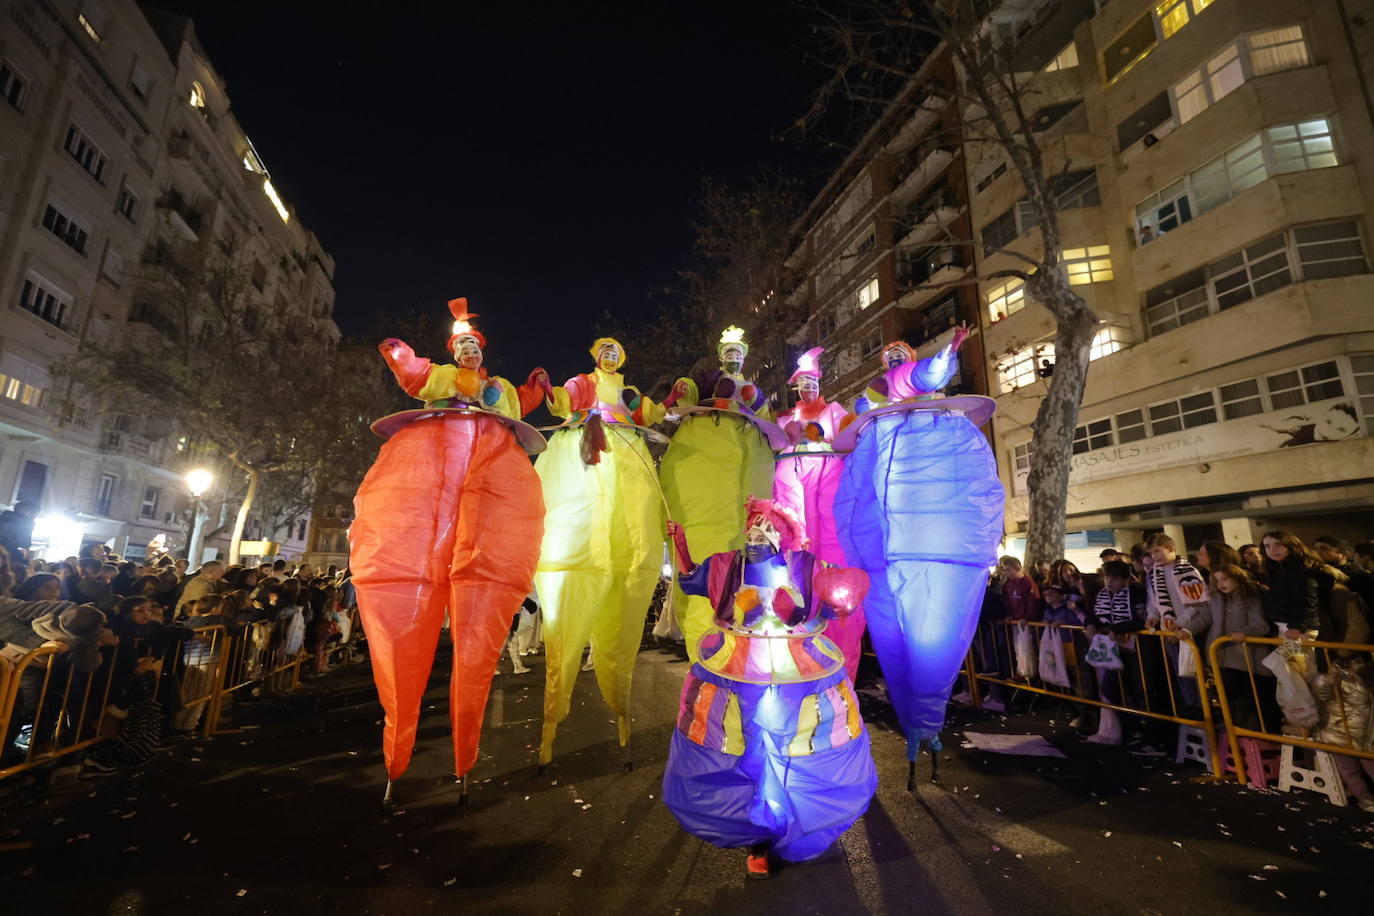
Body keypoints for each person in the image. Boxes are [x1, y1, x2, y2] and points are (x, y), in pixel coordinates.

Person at [352, 300, 545, 795]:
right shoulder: (440, 377)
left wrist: (536, 388)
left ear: (483, 351)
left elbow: (518, 404)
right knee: (405, 611)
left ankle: (464, 758)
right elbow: (413, 374)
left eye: (474, 345)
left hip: (488, 481)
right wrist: (397, 352)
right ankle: (396, 757)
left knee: (478, 636)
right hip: (432, 474)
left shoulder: (495, 389)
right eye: (462, 344)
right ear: (454, 351)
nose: (468, 350)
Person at [662, 499, 873, 878]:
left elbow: (833, 602)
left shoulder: (806, 566)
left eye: (767, 527)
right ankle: (758, 836)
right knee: (749, 752)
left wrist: (839, 597)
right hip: (737, 672)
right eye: (753, 527)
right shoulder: (728, 566)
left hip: (799, 674)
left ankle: (793, 824)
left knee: (797, 749)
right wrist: (678, 545)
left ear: (783, 534)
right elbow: (691, 578)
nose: (757, 533)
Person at [1180, 565, 1277, 731]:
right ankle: (1236, 731)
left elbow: (1260, 624)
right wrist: (1187, 630)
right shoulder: (1216, 599)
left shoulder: (1251, 598)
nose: (1220, 584)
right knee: (1230, 698)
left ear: (1237, 578)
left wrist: (1243, 633)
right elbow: (1205, 618)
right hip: (1222, 657)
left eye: (1224, 579)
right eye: (1217, 580)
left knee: (1252, 699)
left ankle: (1255, 733)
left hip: (1247, 658)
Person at [1084, 560, 1148, 748]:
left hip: (1133, 648)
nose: (1108, 582)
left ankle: (1140, 727)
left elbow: (1141, 618)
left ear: (1124, 580)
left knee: (1137, 688)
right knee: (1110, 687)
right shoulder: (1102, 594)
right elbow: (1092, 613)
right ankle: (1129, 724)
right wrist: (1089, 625)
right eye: (1106, 577)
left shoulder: (1136, 592)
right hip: (1111, 649)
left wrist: (1117, 628)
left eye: (1113, 578)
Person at [1310, 659, 1374, 813]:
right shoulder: (1337, 677)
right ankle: (1365, 799)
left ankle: (1365, 798)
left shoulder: (1361, 674)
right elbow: (1322, 693)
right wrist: (1328, 682)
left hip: (1365, 734)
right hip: (1339, 732)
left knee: (1368, 766)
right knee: (1349, 770)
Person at [1000, 556, 1042, 621]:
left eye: (1008, 570)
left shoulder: (1028, 582)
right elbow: (1007, 601)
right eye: (1005, 570)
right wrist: (1009, 615)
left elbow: (1033, 602)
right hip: (1014, 620)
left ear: (1017, 569)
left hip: (1026, 622)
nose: (1006, 573)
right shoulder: (1008, 584)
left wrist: (1027, 617)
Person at [0, 500, 38, 564]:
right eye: (35, 514)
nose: (35, 517)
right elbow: (25, 544)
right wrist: (27, 563)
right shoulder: (27, 522)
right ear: (28, 512)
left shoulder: (3, 517)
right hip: (5, 551)